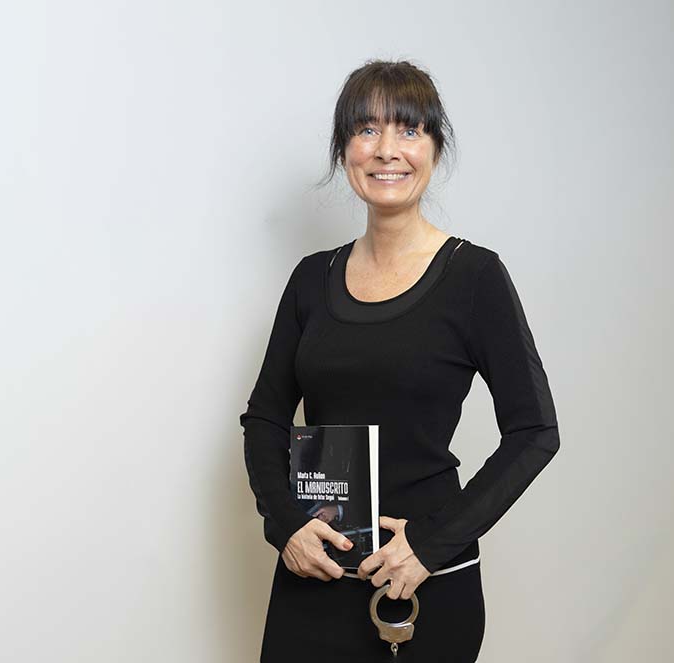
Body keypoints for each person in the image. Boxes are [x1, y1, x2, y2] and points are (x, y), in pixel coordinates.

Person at [240, 59, 560, 662]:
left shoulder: (474, 277)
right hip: (315, 575)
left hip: (425, 586)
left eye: (409, 129)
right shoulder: (311, 280)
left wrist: (431, 545)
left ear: (435, 148)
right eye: (367, 129)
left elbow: (535, 431)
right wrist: (285, 527)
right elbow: (264, 419)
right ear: (344, 150)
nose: (387, 149)